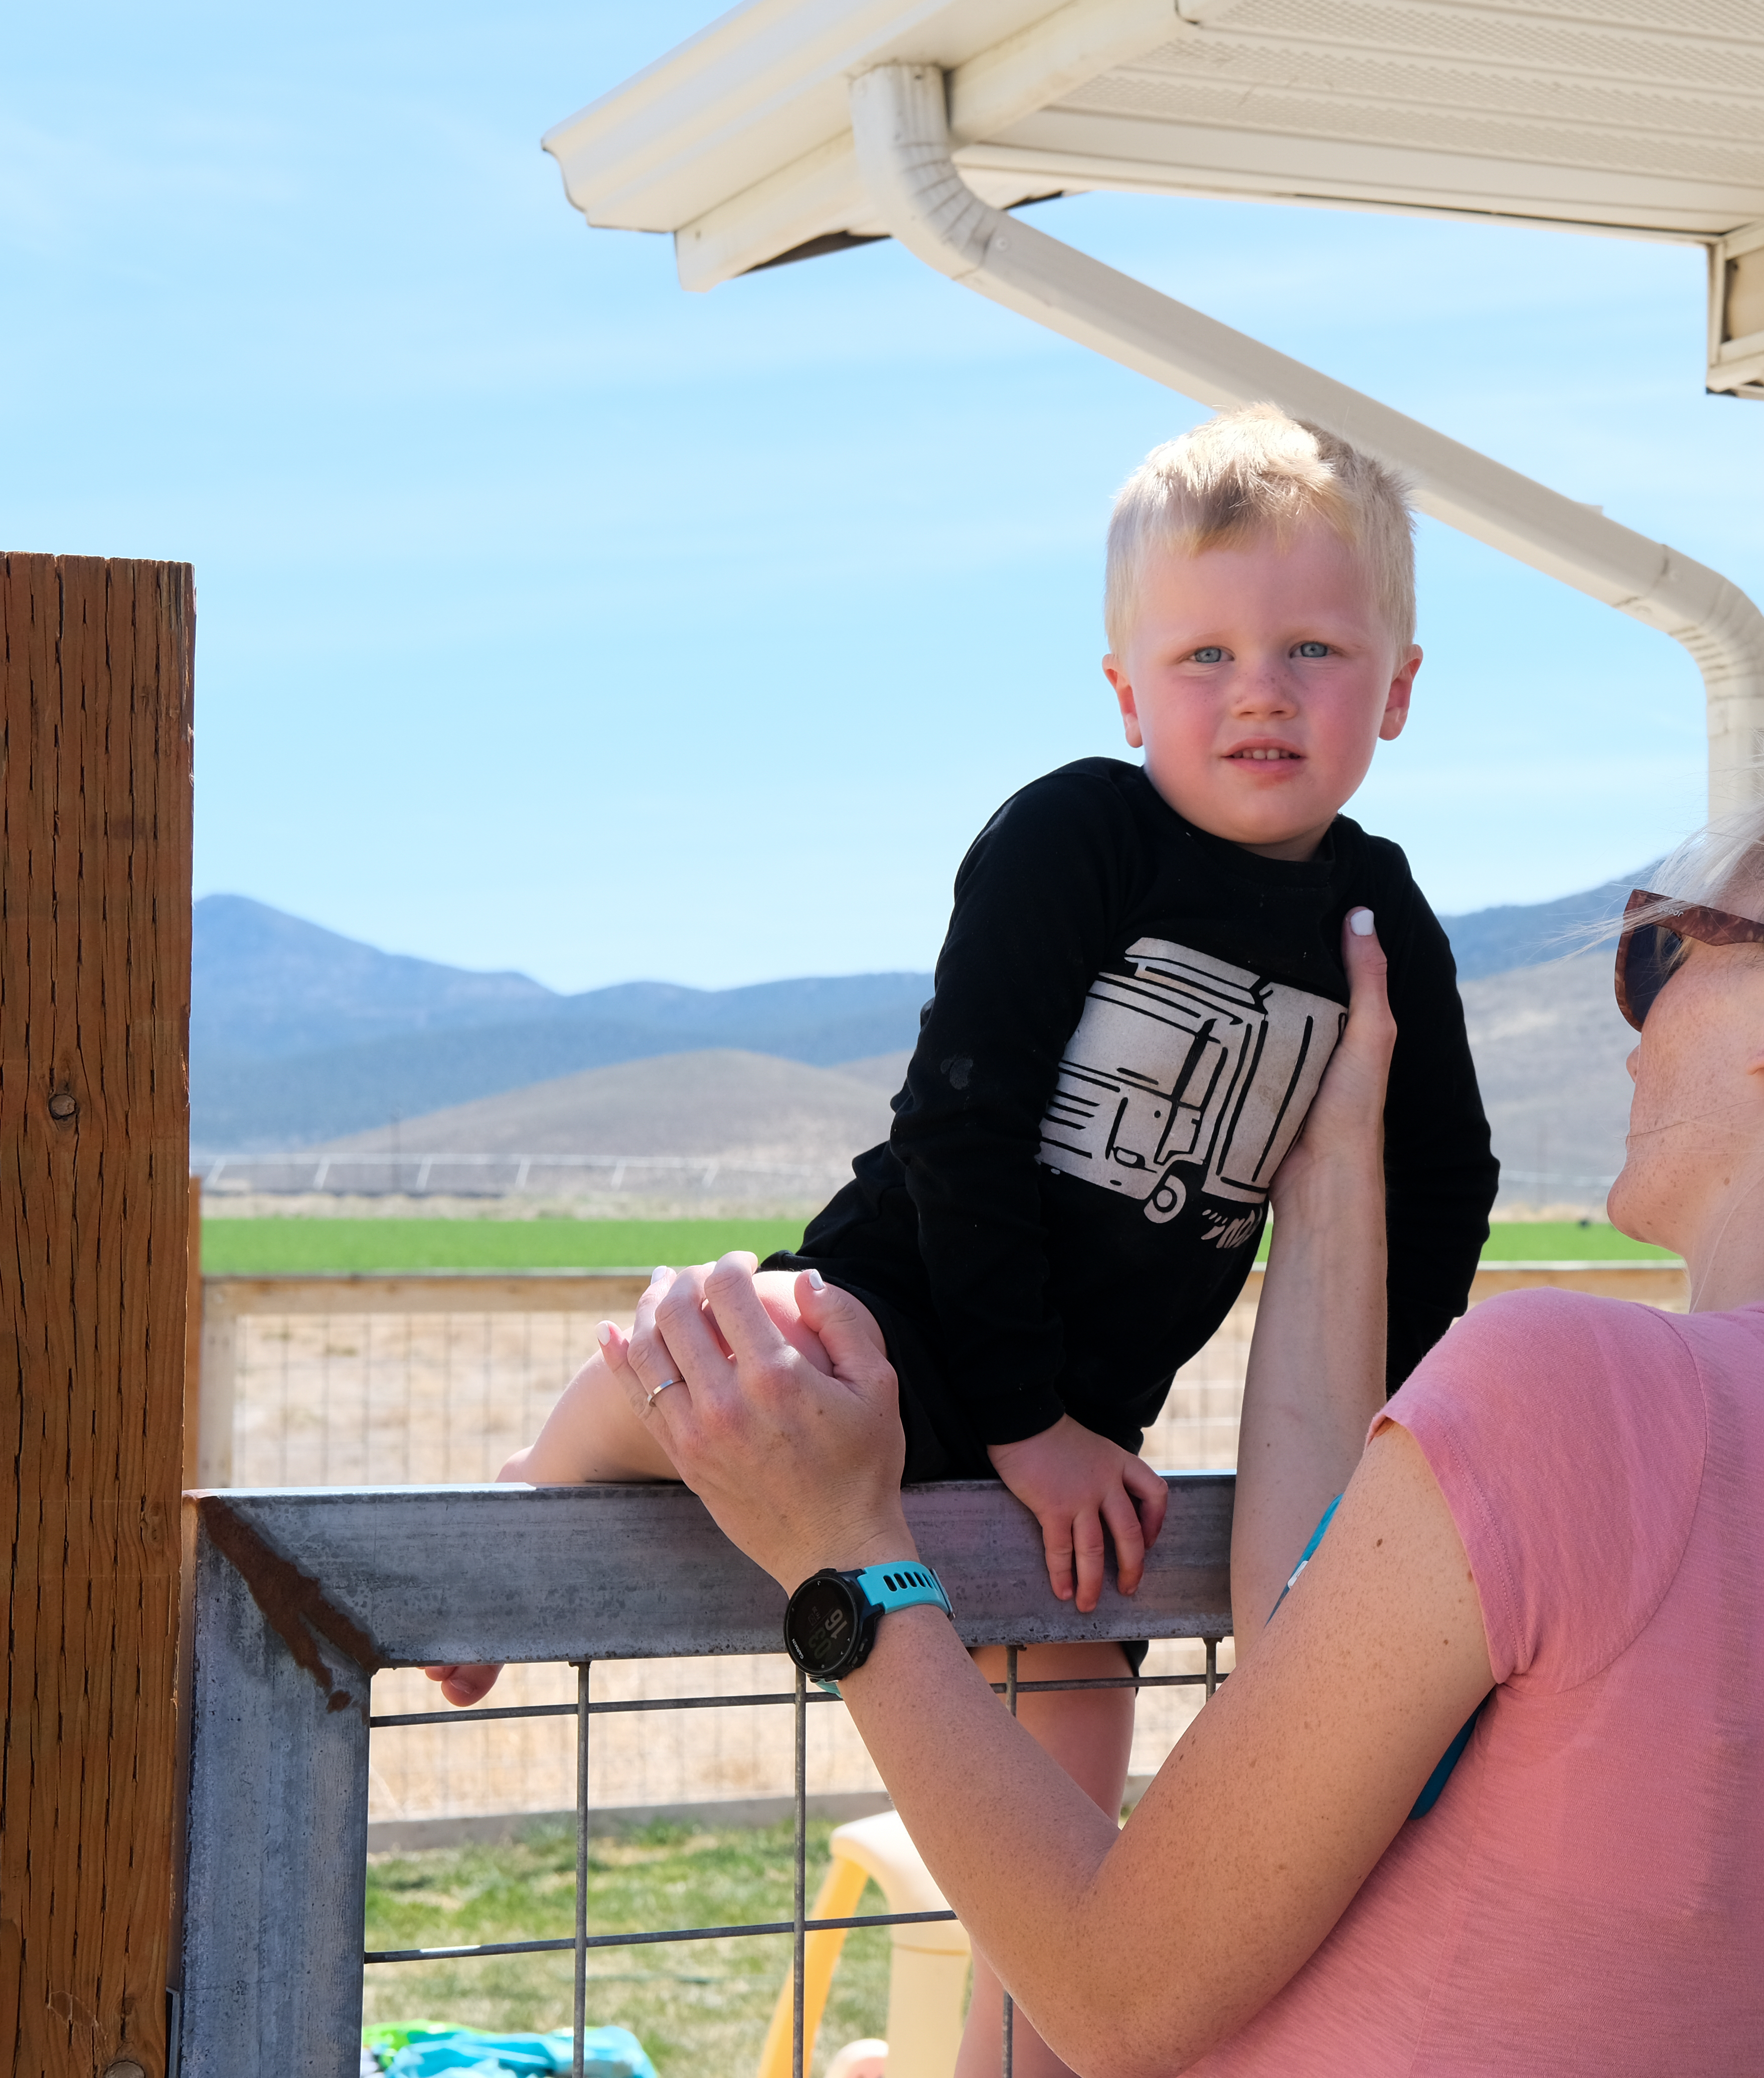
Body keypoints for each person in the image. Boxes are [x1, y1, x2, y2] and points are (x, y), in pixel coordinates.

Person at [616, 729, 1764, 2076]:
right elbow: (1314, 1639)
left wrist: (845, 1558)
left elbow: (1120, 2002)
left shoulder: (1586, 1388)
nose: (1632, 1025)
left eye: (1662, 958)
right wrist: (1339, 1146)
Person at [427, 406, 1499, 1883]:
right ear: (1128, 691)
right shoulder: (1081, 838)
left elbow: (1441, 1184)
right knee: (759, 1339)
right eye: (1206, 657)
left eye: (1313, 649)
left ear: (1397, 691)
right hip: (913, 1321)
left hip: (1082, 1423)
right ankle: (527, 1497)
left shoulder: (1384, 920)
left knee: (1072, 1782)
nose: (1262, 692)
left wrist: (1386, 1417)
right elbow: (963, 1117)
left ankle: (1039, 2020)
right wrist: (1020, 1423)